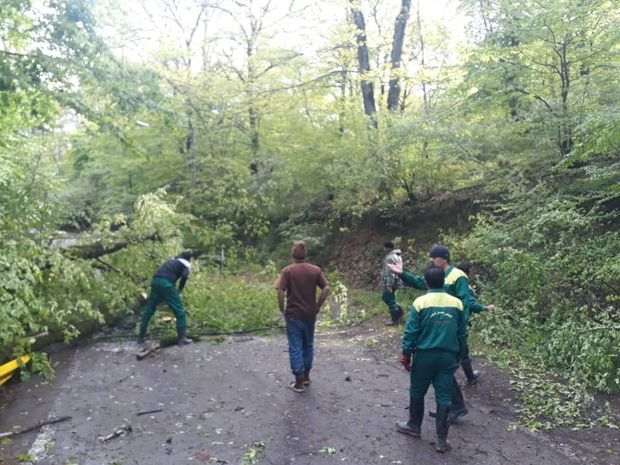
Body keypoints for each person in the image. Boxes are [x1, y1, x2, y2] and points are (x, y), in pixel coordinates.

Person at [388, 245, 474, 423]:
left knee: (444, 371)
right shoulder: (436, 274)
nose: (431, 259)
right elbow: (421, 282)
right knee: (442, 372)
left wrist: (460, 329)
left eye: (434, 257)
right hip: (438, 328)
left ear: (444, 258)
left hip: (450, 330)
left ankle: (455, 407)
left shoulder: (458, 276)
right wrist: (402, 273)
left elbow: (465, 304)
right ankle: (452, 407)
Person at [397, 265, 465, 453]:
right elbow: (461, 333)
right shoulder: (457, 303)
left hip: (425, 356)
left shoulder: (420, 303)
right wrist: (460, 354)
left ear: (426, 282)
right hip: (447, 357)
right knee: (444, 396)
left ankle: (414, 426)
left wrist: (406, 354)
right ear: (443, 281)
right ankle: (442, 441)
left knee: (417, 390)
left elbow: (411, 332)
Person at [276, 241, 330, 393]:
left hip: (293, 315)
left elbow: (280, 291)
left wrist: (282, 308)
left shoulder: (287, 271)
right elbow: (326, 288)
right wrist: (318, 305)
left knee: (295, 346)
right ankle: (306, 376)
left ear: (292, 255)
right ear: (305, 255)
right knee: (308, 344)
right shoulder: (315, 270)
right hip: (309, 314)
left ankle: (298, 381)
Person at [138, 251, 193, 346]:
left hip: (155, 281)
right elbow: (184, 277)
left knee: (149, 309)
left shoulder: (171, 261)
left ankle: (141, 338)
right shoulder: (185, 265)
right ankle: (182, 339)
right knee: (179, 310)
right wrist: (179, 290)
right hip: (166, 284)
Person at [456, 261, 495, 384]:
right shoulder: (464, 286)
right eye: (470, 271)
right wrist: (485, 308)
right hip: (461, 321)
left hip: (450, 320)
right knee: (461, 350)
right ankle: (469, 377)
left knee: (454, 348)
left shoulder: (451, 283)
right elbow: (470, 304)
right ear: (467, 272)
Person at [382, 241, 404, 326]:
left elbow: (390, 272)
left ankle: (395, 320)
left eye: (385, 247)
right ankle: (399, 313)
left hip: (392, 282)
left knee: (389, 299)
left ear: (388, 248)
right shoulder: (398, 256)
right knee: (389, 298)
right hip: (397, 280)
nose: (384, 249)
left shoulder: (390, 258)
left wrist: (389, 285)